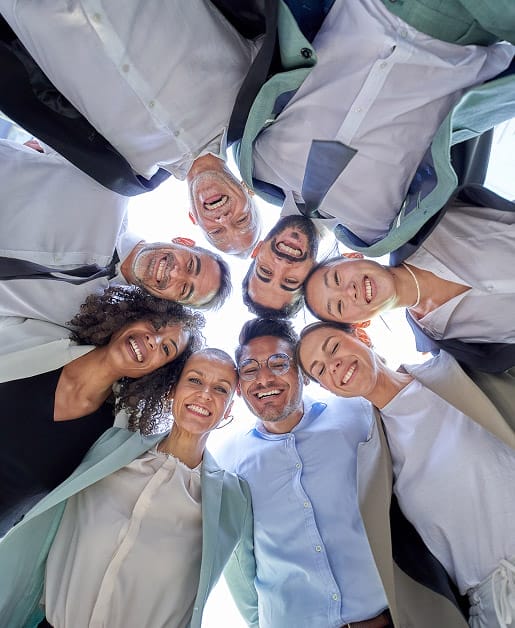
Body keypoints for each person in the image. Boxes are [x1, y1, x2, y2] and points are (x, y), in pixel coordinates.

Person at [233, 0, 514, 251]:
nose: (283, 265)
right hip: (460, 45)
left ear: (258, 254)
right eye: (290, 283)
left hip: (371, 9)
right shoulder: (375, 230)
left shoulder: (256, 162)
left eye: (267, 273)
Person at [0, 348, 252, 628]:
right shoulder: (110, 447)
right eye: (194, 380)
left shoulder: (230, 499)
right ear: (172, 391)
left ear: (228, 409)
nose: (205, 394)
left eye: (220, 389)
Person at [0, 1, 262, 256]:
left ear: (193, 217)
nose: (224, 218)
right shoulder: (247, 88)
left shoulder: (130, 170)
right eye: (241, 220)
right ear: (248, 190)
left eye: (216, 232)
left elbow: (49, 113)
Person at [297, 321, 515, 628]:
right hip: (493, 609)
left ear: (361, 335)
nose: (333, 366)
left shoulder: (458, 369)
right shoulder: (377, 465)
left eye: (333, 347)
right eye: (320, 370)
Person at [219, 317, 392, 628]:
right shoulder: (229, 462)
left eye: (278, 363)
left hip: (387, 618)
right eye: (249, 370)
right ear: (240, 390)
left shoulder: (356, 413)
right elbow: (238, 565)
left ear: (303, 374)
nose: (264, 379)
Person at [0, 284, 204, 535]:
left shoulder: (113, 439)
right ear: (132, 316)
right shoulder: (40, 335)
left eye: (166, 349)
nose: (154, 339)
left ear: (159, 372)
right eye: (155, 323)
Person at [0, 139, 231, 327]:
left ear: (170, 302)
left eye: (184, 289)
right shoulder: (111, 186)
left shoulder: (80, 320)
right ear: (183, 241)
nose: (176, 273)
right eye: (191, 265)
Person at [304, 189, 515, 371]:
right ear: (360, 323)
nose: (350, 291)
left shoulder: (426, 216)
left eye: (336, 278)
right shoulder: (447, 348)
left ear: (352, 256)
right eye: (339, 306)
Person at [242, 198, 321, 317]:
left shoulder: (258, 180)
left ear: (257, 249)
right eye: (290, 281)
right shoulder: (357, 229)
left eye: (265, 271)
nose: (282, 263)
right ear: (314, 271)